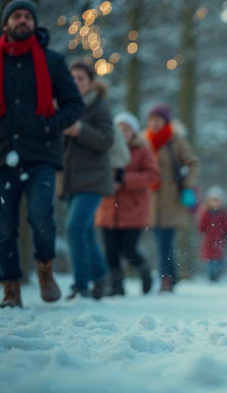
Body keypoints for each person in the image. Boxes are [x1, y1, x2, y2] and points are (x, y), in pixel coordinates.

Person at [0, 0, 83, 308]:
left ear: (34, 23)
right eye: (16, 16)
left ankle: (45, 269)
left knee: (41, 217)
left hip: (40, 157)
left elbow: (74, 104)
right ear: (6, 23)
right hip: (2, 157)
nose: (22, 21)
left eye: (27, 16)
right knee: (5, 227)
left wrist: (50, 125)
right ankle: (10, 288)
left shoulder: (52, 61)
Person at [62, 61, 114, 300]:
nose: (76, 82)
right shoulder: (64, 106)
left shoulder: (99, 107)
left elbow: (106, 140)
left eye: (80, 78)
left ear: (91, 82)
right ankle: (101, 276)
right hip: (70, 179)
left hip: (94, 179)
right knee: (85, 232)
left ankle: (81, 284)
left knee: (74, 228)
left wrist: (79, 130)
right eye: (72, 78)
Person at [95, 112, 159, 296]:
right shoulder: (105, 148)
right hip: (107, 208)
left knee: (128, 249)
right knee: (110, 251)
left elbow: (152, 177)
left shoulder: (142, 150)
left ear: (134, 131)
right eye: (119, 127)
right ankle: (116, 286)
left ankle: (145, 272)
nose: (123, 131)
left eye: (127, 128)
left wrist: (124, 179)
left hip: (133, 209)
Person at [145, 103, 199, 292]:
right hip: (150, 201)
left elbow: (193, 163)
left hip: (171, 201)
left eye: (157, 119)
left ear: (166, 121)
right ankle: (171, 276)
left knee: (165, 241)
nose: (153, 123)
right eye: (151, 119)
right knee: (161, 241)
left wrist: (187, 183)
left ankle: (166, 279)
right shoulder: (145, 141)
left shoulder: (176, 142)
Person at [197, 186, 227, 282]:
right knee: (210, 259)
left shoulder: (223, 213)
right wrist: (202, 231)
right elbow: (202, 225)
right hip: (209, 239)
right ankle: (211, 276)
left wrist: (225, 233)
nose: (215, 203)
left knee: (219, 258)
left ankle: (217, 275)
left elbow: (226, 225)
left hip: (219, 239)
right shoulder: (206, 212)